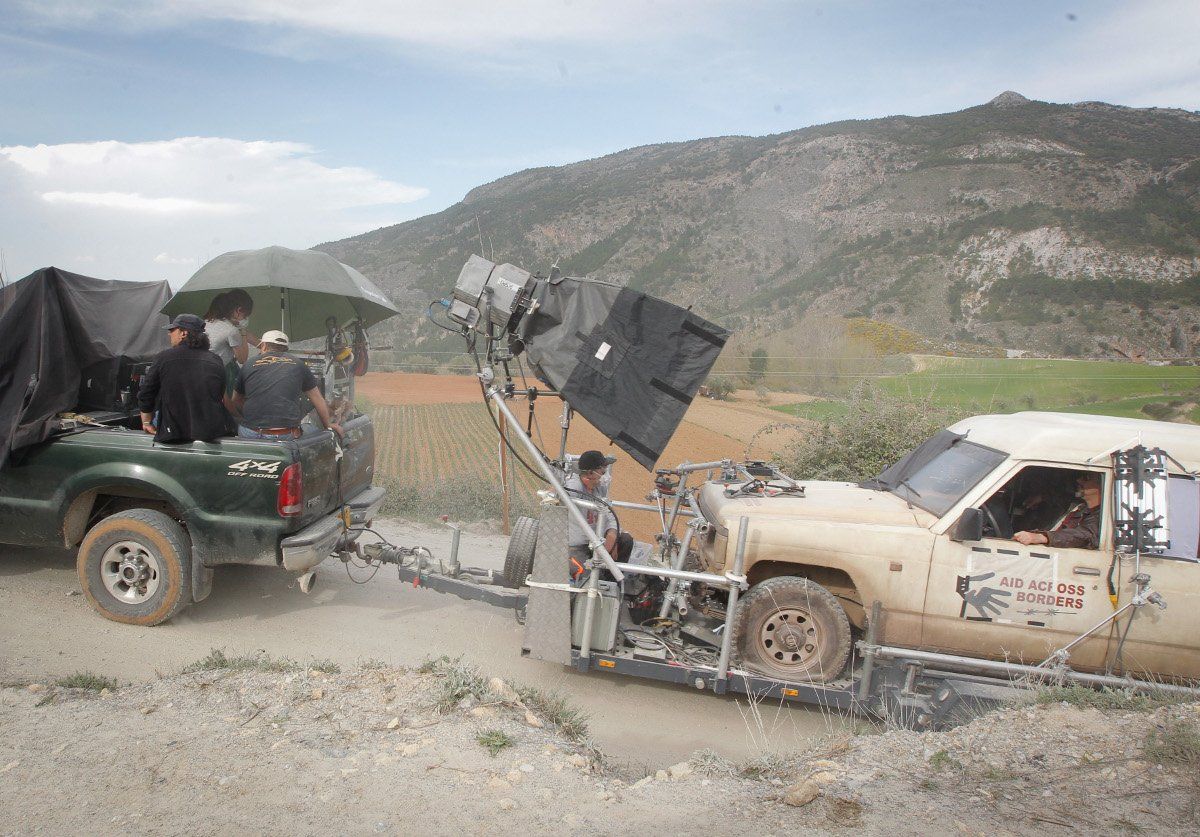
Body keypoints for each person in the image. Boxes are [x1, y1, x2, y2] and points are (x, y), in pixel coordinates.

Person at [231, 330, 343, 440]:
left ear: (263, 346)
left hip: (250, 433)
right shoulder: (298, 364)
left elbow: (236, 400)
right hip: (284, 434)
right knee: (311, 428)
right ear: (285, 349)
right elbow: (317, 398)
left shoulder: (248, 364)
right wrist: (328, 425)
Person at [137, 314, 231, 443]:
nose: (169, 334)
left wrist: (147, 422)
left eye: (172, 330)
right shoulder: (215, 360)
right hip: (208, 435)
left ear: (183, 333)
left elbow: (146, 394)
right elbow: (218, 394)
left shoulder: (163, 358)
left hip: (173, 434)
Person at [564, 449, 632, 581]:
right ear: (590, 473)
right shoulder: (575, 487)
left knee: (626, 540)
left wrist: (612, 536)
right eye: (602, 472)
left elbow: (610, 515)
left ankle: (612, 582)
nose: (605, 476)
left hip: (596, 542)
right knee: (589, 578)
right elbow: (558, 493)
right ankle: (598, 582)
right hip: (576, 547)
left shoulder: (599, 488)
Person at [1013, 472, 1102, 549]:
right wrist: (1041, 497)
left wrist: (1042, 537)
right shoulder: (1078, 506)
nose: (1079, 480)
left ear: (1101, 486)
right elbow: (1060, 497)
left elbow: (1083, 535)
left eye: (1087, 478)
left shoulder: (1100, 517)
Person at [203, 290, 259, 398]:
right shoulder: (230, 330)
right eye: (245, 316)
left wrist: (263, 345)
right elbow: (242, 358)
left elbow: (254, 340)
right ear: (238, 310)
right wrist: (242, 333)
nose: (245, 319)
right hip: (218, 373)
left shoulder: (206, 322)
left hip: (201, 371)